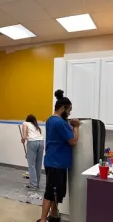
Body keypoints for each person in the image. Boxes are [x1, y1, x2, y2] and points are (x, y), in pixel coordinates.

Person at [37, 90, 79, 222]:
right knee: (51, 193)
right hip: (56, 162)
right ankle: (43, 220)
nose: (70, 113)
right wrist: (76, 127)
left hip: (54, 161)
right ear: (62, 108)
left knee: (57, 192)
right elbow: (73, 141)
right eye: (69, 110)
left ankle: (54, 215)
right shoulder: (60, 123)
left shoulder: (51, 119)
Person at [21, 114, 44, 190]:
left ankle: (33, 185)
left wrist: (23, 139)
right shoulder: (36, 126)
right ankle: (37, 184)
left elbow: (24, 136)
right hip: (41, 142)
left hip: (32, 143)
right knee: (38, 164)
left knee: (31, 165)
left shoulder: (25, 123)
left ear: (27, 119)